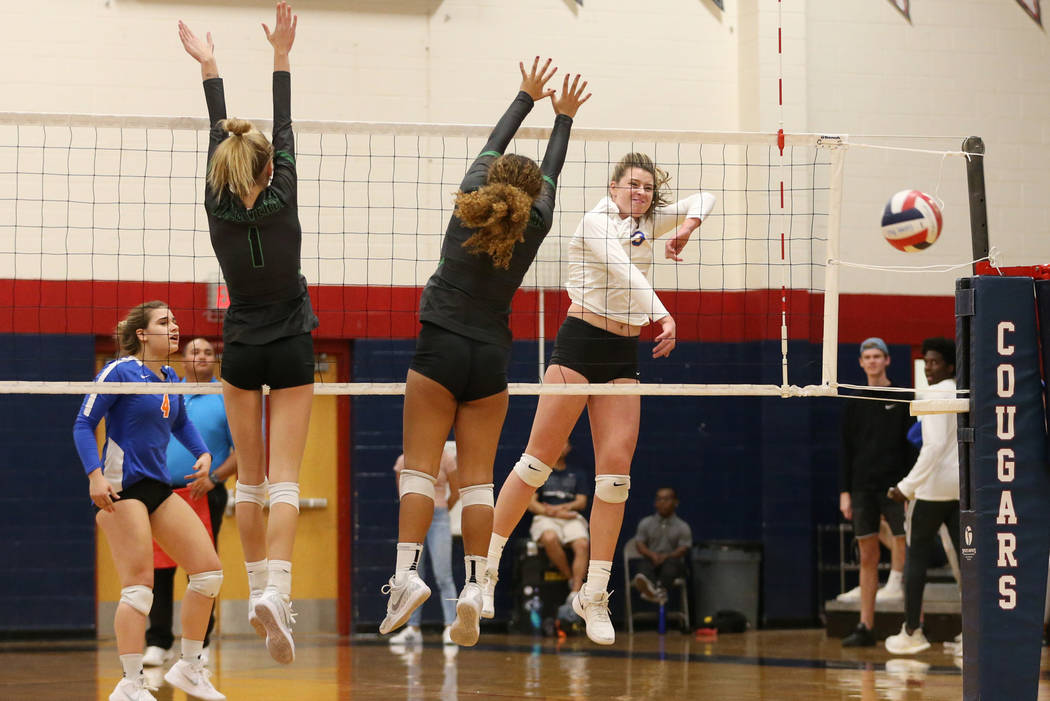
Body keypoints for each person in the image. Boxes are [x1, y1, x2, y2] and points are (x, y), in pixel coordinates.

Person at [379, 57, 590, 648]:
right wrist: (563, 119)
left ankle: (404, 577)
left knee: (420, 470)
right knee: (477, 482)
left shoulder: (470, 196)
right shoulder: (537, 223)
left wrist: (524, 98)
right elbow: (550, 175)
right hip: (491, 357)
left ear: (492, 179)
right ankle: (476, 586)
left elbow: (494, 145)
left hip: (440, 346)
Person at [482, 152, 716, 646]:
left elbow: (706, 198)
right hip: (580, 344)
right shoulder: (596, 222)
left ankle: (593, 594)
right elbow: (624, 272)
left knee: (615, 477)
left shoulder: (648, 219)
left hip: (621, 354)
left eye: (648, 188)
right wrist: (663, 313)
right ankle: (486, 570)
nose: (641, 194)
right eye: (632, 185)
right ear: (613, 188)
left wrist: (686, 227)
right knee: (535, 464)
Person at [179, 2, 315, 665]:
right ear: (269, 167)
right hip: (290, 339)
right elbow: (281, 125)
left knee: (253, 482)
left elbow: (219, 131)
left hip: (241, 345)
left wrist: (209, 67)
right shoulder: (283, 194)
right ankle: (278, 593)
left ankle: (260, 590)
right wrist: (281, 54)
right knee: (286, 481)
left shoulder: (215, 204)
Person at [72, 302, 225, 701]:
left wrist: (202, 452)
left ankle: (191, 667)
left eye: (174, 321)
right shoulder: (120, 370)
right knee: (140, 588)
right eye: (164, 322)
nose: (174, 327)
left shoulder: (171, 375)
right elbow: (84, 423)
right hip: (121, 489)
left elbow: (180, 422)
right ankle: (131, 682)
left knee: (208, 573)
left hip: (158, 486)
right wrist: (94, 476)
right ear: (142, 334)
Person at [143, 338, 237, 667]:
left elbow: (243, 451)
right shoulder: (167, 392)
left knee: (202, 569)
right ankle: (158, 642)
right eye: (195, 351)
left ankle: (200, 642)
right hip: (161, 493)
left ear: (215, 360)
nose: (201, 356)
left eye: (209, 352)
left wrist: (214, 478)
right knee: (158, 569)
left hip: (205, 493)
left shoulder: (226, 397)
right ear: (183, 359)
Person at [885, 337, 959, 655]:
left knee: (916, 560)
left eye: (935, 362)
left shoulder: (933, 395)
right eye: (926, 362)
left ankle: (912, 631)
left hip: (932, 490)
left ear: (950, 365)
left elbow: (933, 447)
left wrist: (906, 487)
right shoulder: (964, 391)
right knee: (967, 563)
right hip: (962, 489)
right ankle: (976, 631)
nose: (929, 367)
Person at [839, 337, 915, 647]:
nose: (871, 361)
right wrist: (845, 491)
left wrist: (910, 486)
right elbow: (846, 450)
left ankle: (913, 624)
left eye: (877, 356)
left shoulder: (902, 397)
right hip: (862, 488)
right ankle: (865, 625)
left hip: (897, 487)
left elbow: (912, 446)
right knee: (867, 556)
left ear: (887, 360)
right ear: (860, 363)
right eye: (866, 357)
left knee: (906, 548)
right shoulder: (854, 402)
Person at [389, 441, 460, 645]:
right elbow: (404, 496)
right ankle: (412, 629)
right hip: (415, 519)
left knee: (443, 574)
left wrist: (442, 512)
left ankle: (450, 626)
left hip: (439, 517)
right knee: (413, 575)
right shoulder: (403, 460)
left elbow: (455, 491)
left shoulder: (445, 457)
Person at [527, 443, 589, 600]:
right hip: (547, 517)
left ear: (569, 448)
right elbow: (531, 504)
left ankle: (575, 593)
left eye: (565, 442)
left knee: (582, 544)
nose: (561, 445)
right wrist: (551, 512)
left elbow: (581, 502)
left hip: (570, 517)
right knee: (549, 537)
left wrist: (560, 509)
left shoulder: (577, 473)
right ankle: (572, 579)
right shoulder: (541, 472)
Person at [631, 487, 693, 604]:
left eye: (666, 499)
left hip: (672, 562)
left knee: (671, 567)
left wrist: (666, 556)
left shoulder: (682, 526)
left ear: (676, 502)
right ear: (655, 503)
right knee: (642, 567)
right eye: (659, 499)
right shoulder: (646, 523)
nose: (662, 502)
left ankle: (655, 591)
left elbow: (683, 548)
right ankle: (654, 590)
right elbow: (640, 544)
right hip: (651, 560)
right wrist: (652, 555)